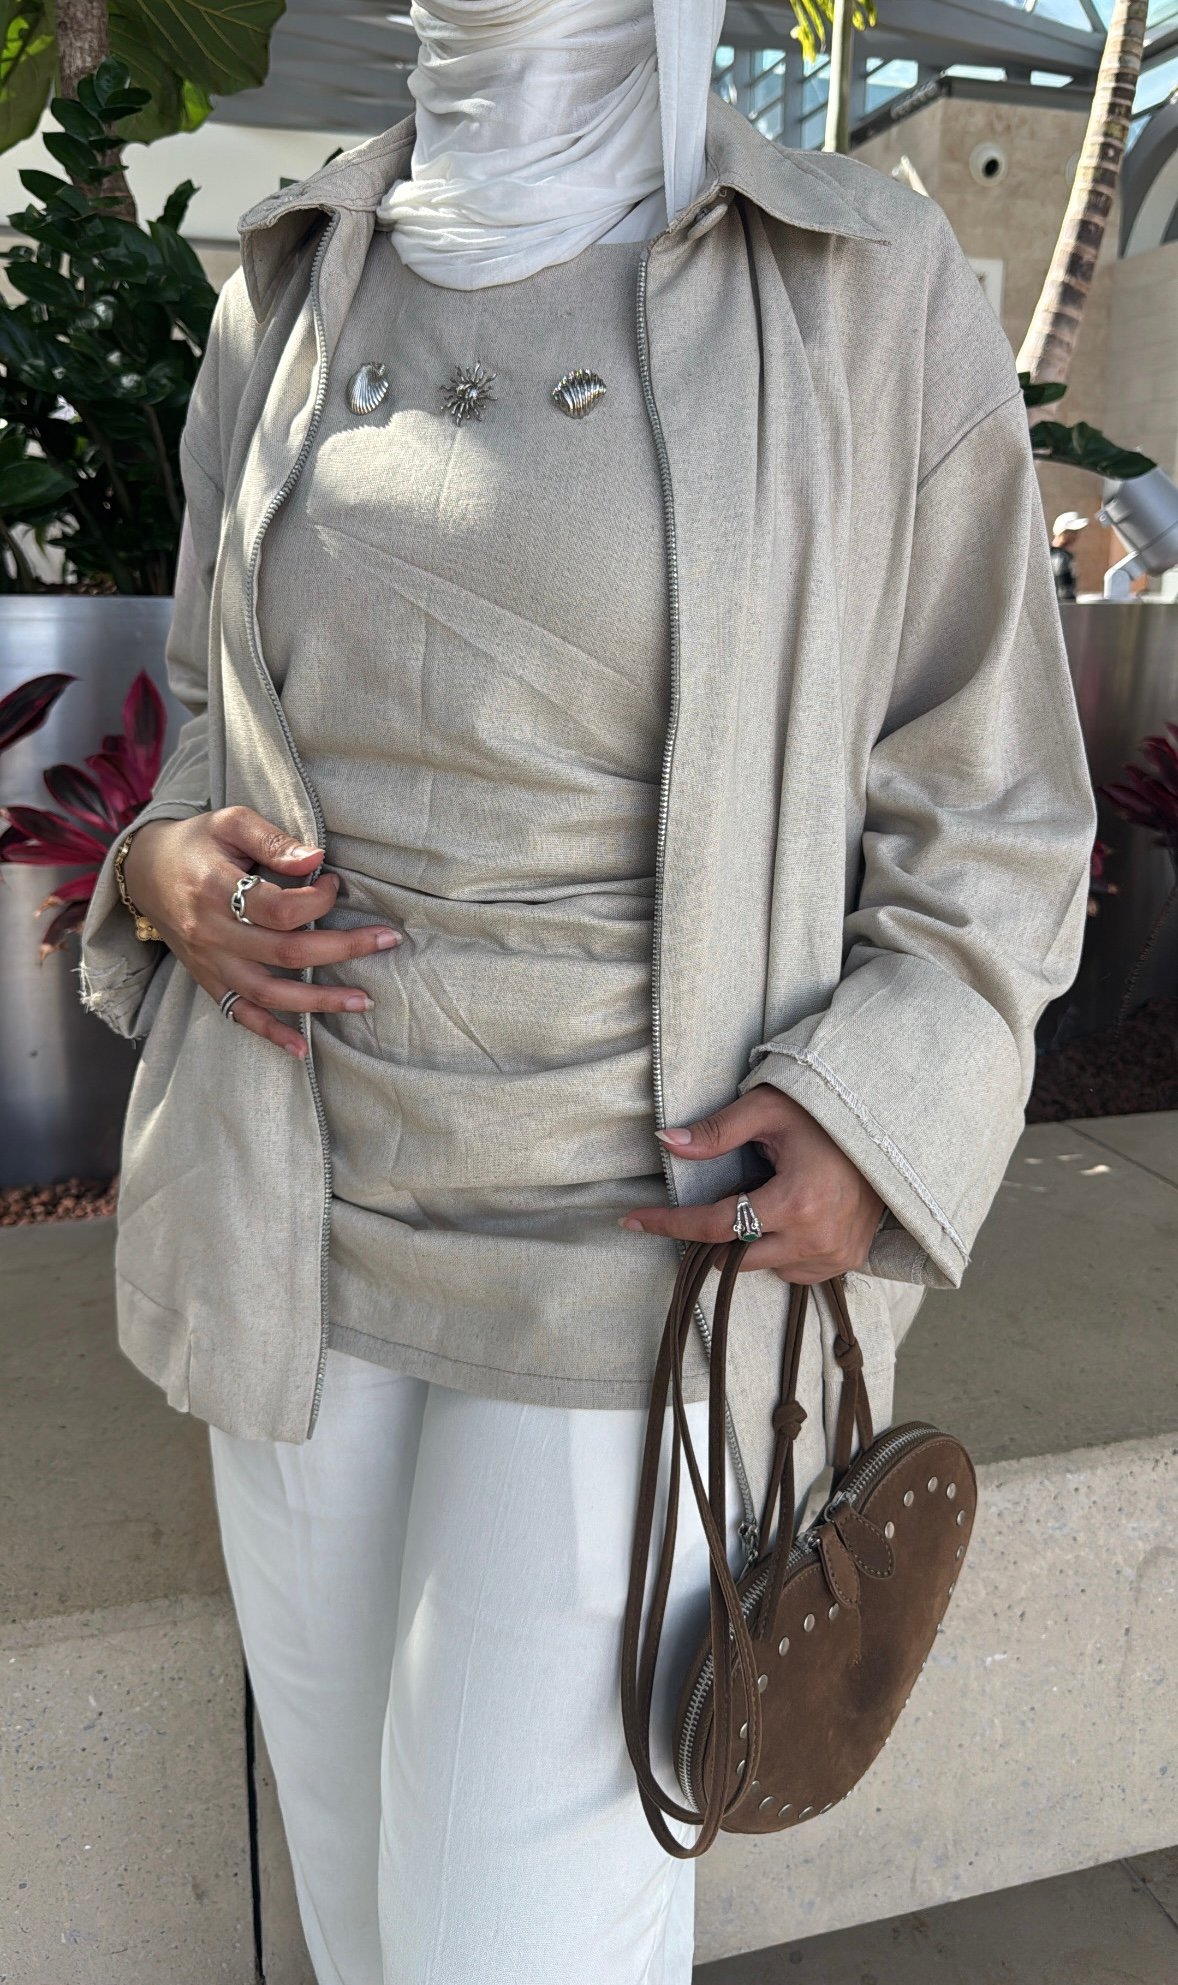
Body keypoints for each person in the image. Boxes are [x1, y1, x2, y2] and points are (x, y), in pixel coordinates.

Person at [78, 2, 1097, 1978]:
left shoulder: (855, 280)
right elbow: (218, 705)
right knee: (361, 1908)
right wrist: (165, 865)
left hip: (641, 1253)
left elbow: (989, 791)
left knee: (504, 1941)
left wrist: (882, 1103)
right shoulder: (290, 280)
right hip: (293, 1224)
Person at [1050, 508, 1090, 602]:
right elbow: (1065, 593)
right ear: (1062, 532)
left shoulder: (1048, 554)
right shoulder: (1061, 557)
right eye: (1072, 532)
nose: (1075, 536)